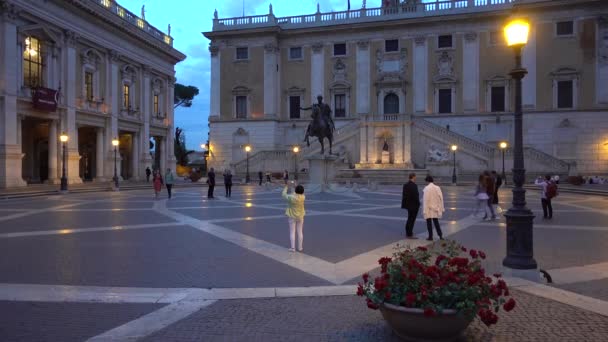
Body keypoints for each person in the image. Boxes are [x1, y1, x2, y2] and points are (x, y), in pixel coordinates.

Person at [282, 182, 306, 252]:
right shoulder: (303, 197)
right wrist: (296, 186)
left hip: (292, 216)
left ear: (295, 191)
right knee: (300, 232)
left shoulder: (291, 197)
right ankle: (300, 247)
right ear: (302, 191)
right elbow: (300, 193)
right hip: (300, 216)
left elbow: (283, 195)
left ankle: (293, 248)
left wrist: (286, 186)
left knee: (292, 232)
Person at [422, 175, 444, 241]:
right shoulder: (437, 187)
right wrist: (441, 207)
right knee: (436, 222)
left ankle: (430, 236)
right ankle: (440, 235)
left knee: (429, 223)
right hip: (436, 208)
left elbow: (425, 200)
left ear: (427, 181)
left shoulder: (426, 188)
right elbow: (441, 198)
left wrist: (424, 210)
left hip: (428, 208)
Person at [401, 173, 420, 239]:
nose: (416, 178)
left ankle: (408, 232)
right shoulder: (414, 185)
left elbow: (404, 196)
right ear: (413, 177)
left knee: (409, 218)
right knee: (412, 219)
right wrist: (418, 204)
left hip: (408, 205)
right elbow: (416, 196)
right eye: (415, 177)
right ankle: (409, 234)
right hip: (414, 205)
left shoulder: (405, 185)